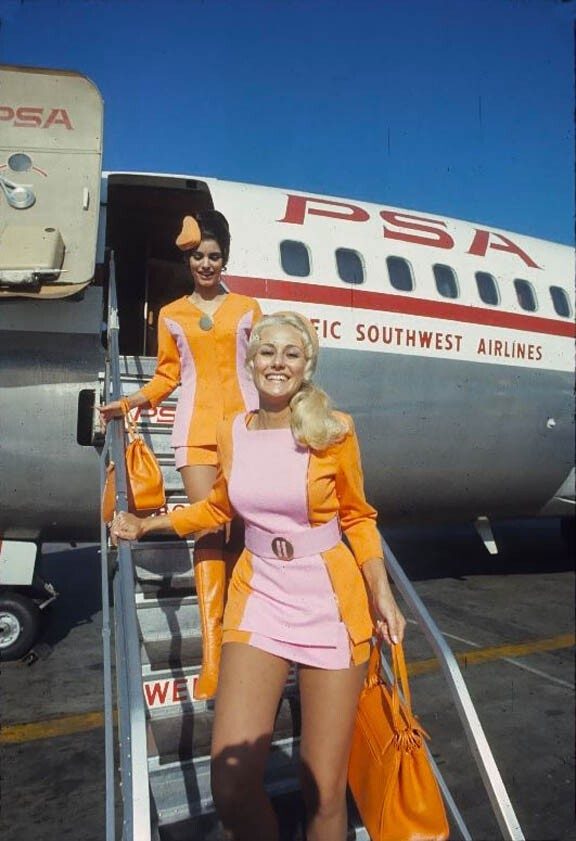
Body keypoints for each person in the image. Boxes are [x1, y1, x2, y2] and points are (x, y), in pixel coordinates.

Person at [111, 311, 406, 841]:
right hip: (259, 596)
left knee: (323, 789)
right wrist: (148, 523)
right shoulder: (234, 430)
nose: (278, 363)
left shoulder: (334, 429)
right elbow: (217, 507)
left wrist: (380, 591)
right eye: (268, 351)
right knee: (231, 785)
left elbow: (358, 517)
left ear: (307, 365)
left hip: (329, 604)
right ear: (251, 361)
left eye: (292, 353)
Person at [100, 210, 262, 700]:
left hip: (246, 432)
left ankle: (244, 643)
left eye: (214, 256)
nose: (206, 264)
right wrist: (129, 402)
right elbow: (167, 376)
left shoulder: (249, 309)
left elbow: (267, 369)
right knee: (208, 530)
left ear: (225, 259)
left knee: (243, 534)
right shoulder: (171, 314)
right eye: (198, 257)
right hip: (194, 433)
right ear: (188, 260)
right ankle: (214, 658)